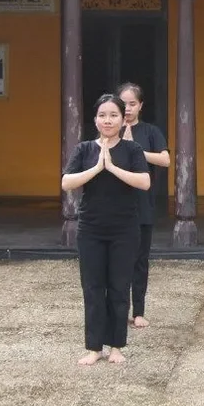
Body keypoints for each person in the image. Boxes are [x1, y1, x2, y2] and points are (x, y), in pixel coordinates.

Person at [62, 93, 152, 366]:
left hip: (124, 229)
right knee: (92, 287)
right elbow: (67, 182)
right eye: (102, 115)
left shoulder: (131, 150)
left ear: (122, 118)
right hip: (91, 228)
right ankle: (94, 347)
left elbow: (144, 182)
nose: (107, 120)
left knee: (118, 287)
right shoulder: (85, 149)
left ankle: (116, 346)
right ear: (95, 119)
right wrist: (97, 167)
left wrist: (112, 167)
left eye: (113, 115)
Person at [117, 82, 171, 329]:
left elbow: (165, 159)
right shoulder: (109, 128)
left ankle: (138, 311)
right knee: (117, 262)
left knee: (140, 260)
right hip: (115, 205)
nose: (127, 109)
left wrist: (137, 150)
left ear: (140, 106)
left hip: (142, 205)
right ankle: (118, 311)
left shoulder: (150, 131)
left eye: (132, 104)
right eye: (123, 104)